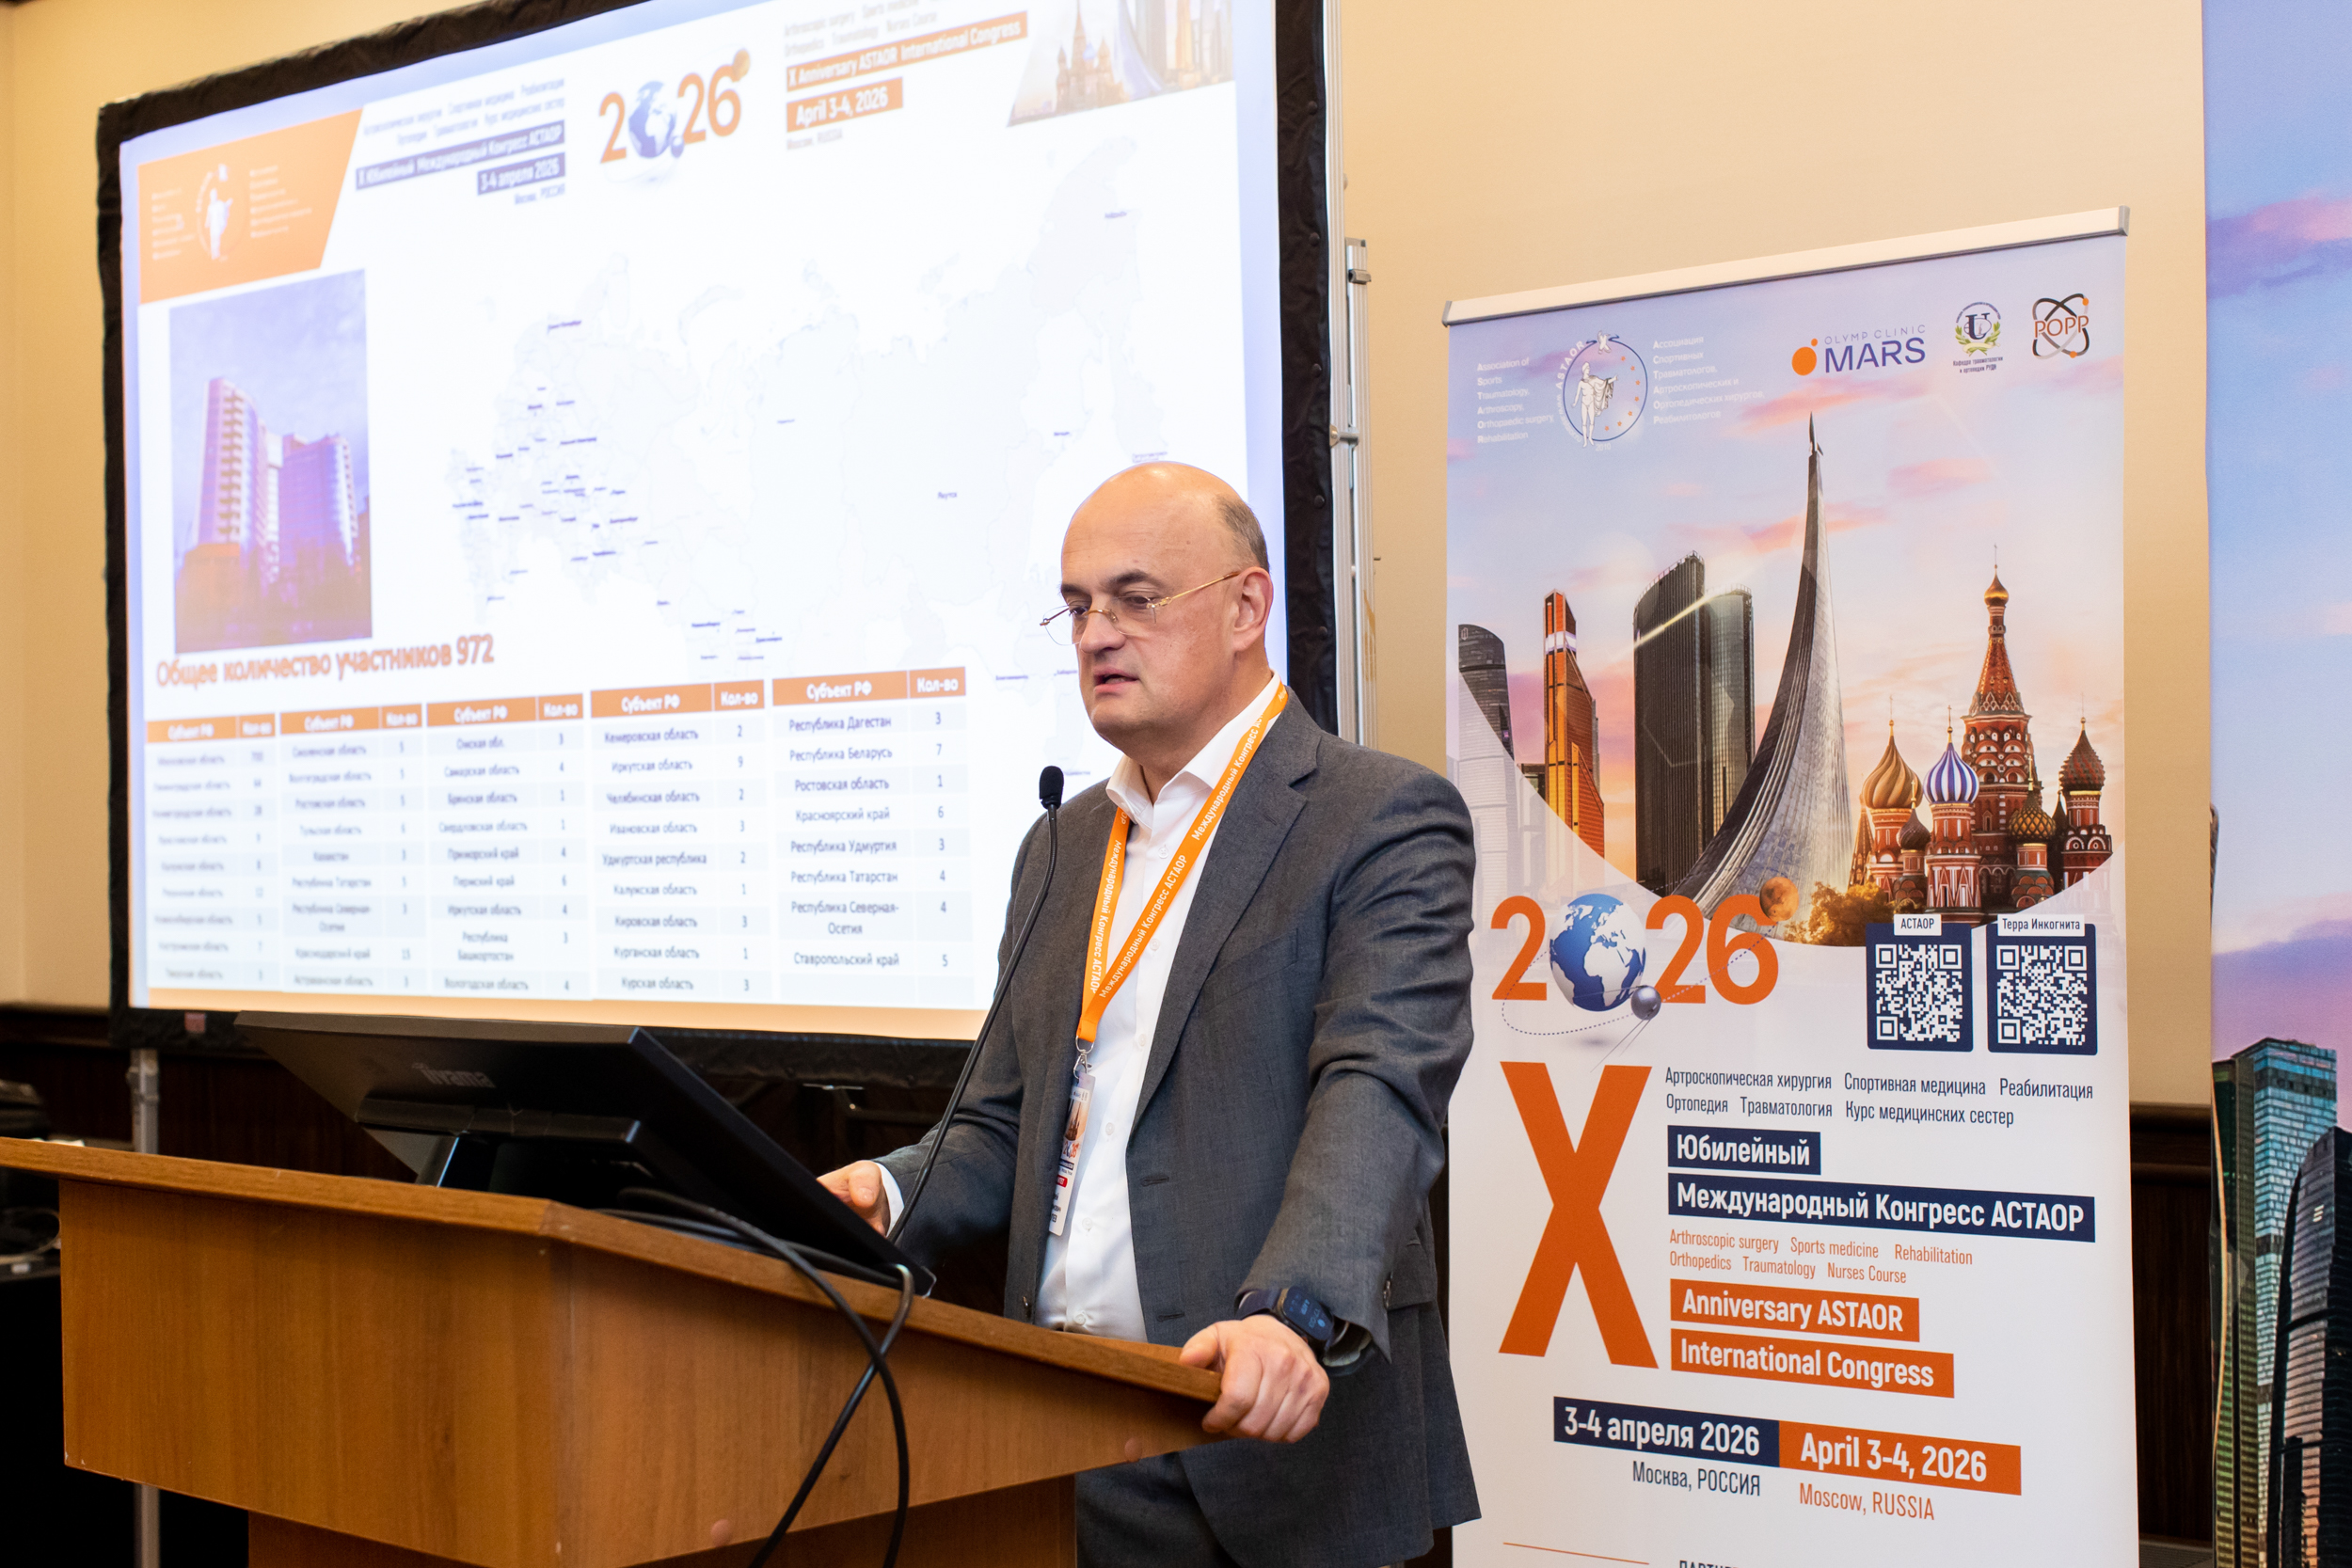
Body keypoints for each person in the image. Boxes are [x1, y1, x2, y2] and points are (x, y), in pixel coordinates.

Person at [820, 462, 1478, 1567]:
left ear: (1246, 605)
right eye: (1077, 606)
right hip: (1056, 1429)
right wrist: (885, 1192)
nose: (1096, 634)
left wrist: (1291, 1310)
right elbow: (1006, 1121)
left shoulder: (1377, 816)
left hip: (1257, 1429)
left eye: (1135, 598)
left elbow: (1377, 1087)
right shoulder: (1063, 842)